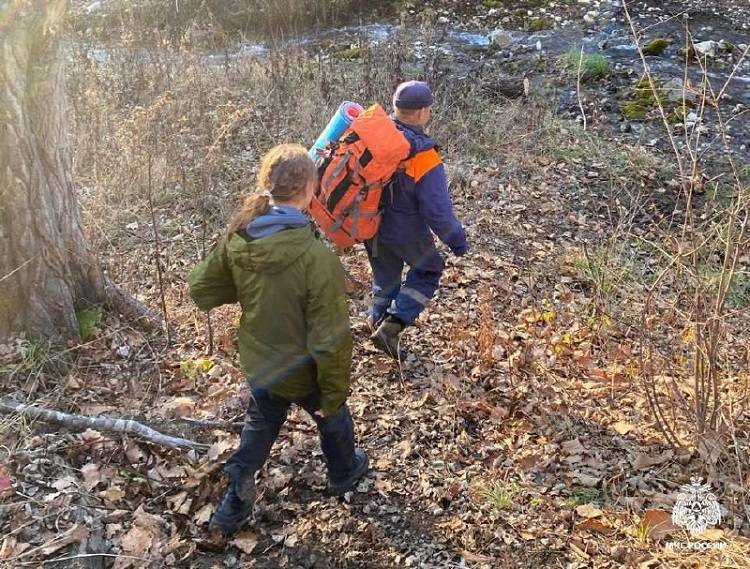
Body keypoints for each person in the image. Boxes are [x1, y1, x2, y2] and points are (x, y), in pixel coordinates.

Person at [188, 143, 368, 538]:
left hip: (260, 363)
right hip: (303, 372)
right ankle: (344, 472)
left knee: (262, 423)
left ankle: (233, 502)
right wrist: (332, 395)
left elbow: (202, 289)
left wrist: (250, 283)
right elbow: (332, 340)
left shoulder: (240, 237)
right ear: (309, 191)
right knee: (333, 419)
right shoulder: (316, 258)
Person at [367, 81, 468, 358]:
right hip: (406, 232)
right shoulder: (423, 156)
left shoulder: (374, 137)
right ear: (423, 112)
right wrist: (458, 242)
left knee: (385, 276)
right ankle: (392, 326)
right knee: (429, 270)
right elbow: (438, 212)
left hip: (370, 224)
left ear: (395, 107)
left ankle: (376, 321)